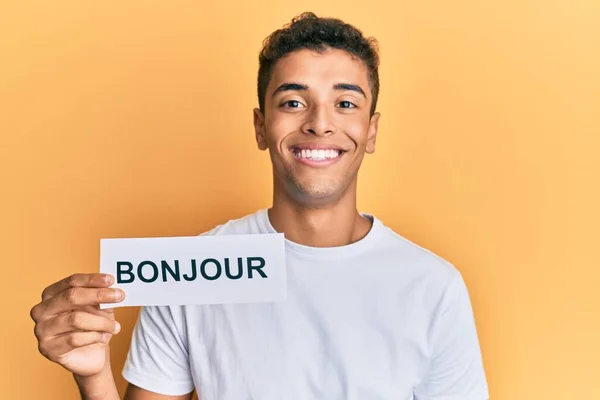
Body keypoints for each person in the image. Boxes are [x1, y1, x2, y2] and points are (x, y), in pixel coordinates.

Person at [30, 12, 489, 400]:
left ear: (371, 131)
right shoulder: (193, 270)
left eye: (345, 102)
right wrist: (93, 375)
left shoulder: (434, 288)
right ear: (260, 126)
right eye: (293, 101)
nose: (319, 124)